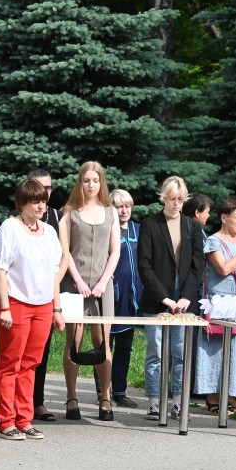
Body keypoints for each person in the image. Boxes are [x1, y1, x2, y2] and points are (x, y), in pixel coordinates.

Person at [0, 179, 66, 439]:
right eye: (35, 202)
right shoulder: (10, 228)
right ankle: (6, 421)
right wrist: (4, 308)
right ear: (21, 204)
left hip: (43, 306)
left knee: (31, 363)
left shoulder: (50, 231)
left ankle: (25, 419)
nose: (41, 206)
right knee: (10, 362)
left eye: (43, 201)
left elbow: (54, 273)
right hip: (15, 302)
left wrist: (57, 309)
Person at [137, 176, 203, 420]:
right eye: (172, 199)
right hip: (157, 298)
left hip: (184, 298)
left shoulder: (192, 226)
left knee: (180, 352)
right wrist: (164, 297)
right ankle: (154, 402)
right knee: (156, 352)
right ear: (163, 198)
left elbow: (198, 264)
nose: (176, 203)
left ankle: (178, 402)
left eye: (180, 199)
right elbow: (144, 265)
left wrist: (186, 296)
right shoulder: (150, 224)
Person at [58, 161, 120, 422]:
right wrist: (79, 282)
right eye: (86, 180)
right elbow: (65, 252)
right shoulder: (69, 212)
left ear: (101, 182)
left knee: (102, 341)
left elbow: (115, 251)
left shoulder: (110, 211)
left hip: (103, 286)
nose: (91, 185)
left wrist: (103, 281)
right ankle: (72, 397)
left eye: (95, 180)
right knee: (74, 341)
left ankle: (105, 397)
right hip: (74, 285)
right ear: (80, 182)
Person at [195, 199, 236, 414]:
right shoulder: (214, 241)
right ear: (224, 217)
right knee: (215, 351)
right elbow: (222, 268)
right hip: (218, 305)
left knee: (234, 352)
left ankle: (230, 396)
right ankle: (213, 399)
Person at [22, 170, 63, 423]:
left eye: (48, 188)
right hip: (23, 296)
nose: (45, 193)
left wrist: (54, 284)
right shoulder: (16, 218)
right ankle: (17, 404)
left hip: (48, 293)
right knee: (19, 355)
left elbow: (62, 255)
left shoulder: (56, 216)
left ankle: (37, 402)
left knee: (41, 352)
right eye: (40, 187)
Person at [100, 188, 142, 408]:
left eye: (127, 206)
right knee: (104, 344)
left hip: (131, 298)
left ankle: (119, 391)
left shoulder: (138, 230)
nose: (124, 211)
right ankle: (103, 391)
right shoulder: (106, 230)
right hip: (112, 295)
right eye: (119, 207)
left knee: (125, 347)